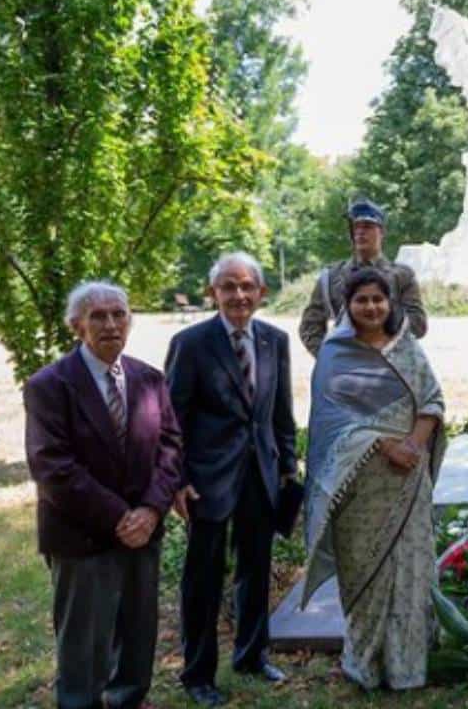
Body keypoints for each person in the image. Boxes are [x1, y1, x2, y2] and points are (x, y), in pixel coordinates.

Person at [24, 281, 182, 709]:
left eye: (119, 315)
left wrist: (151, 510)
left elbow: (171, 448)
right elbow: (52, 466)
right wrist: (120, 517)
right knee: (84, 643)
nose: (111, 324)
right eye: (98, 316)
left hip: (144, 532)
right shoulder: (49, 385)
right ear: (77, 326)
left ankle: (128, 699)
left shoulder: (149, 379)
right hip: (82, 536)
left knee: (138, 633)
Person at [301, 267, 447, 690]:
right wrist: (385, 445)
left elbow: (432, 400)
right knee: (364, 572)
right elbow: (332, 421)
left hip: (407, 479)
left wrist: (413, 446)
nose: (371, 307)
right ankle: (365, 662)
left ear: (390, 303)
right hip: (358, 485)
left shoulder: (407, 348)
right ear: (347, 306)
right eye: (361, 300)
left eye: (378, 299)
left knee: (412, 570)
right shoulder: (334, 354)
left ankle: (408, 666)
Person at [165, 253, 298, 705]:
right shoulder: (191, 343)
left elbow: (280, 411)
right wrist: (177, 479)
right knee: (202, 580)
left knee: (255, 571)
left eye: (246, 286)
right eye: (228, 286)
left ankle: (252, 655)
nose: (238, 295)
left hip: (261, 475)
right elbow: (172, 420)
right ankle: (198, 675)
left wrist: (287, 467)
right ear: (213, 293)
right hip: (207, 480)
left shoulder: (275, 340)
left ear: (261, 293)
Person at [299, 198, 427, 355]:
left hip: (390, 362)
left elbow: (418, 325)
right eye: (356, 227)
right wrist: (329, 357)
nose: (360, 232)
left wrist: (381, 334)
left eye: (367, 226)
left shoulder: (402, 277)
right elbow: (310, 326)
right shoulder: (331, 277)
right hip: (345, 363)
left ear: (381, 232)